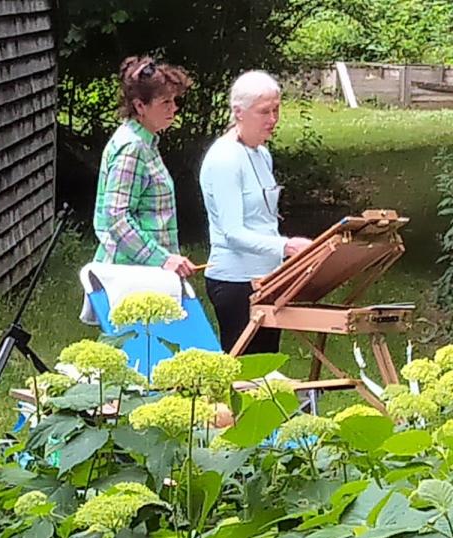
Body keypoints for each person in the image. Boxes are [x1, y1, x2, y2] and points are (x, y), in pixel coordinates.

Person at [200, 70, 312, 354]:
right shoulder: (224, 158)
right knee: (243, 373)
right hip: (235, 282)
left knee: (266, 373)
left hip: (268, 280)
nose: (273, 119)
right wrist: (286, 246)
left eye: (276, 110)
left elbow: (264, 220)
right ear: (239, 112)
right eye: (264, 112)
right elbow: (233, 232)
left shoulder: (262, 154)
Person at [93, 55, 197, 278]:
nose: (174, 108)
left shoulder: (146, 143)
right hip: (130, 276)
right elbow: (117, 218)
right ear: (140, 106)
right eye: (165, 102)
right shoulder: (132, 147)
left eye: (174, 101)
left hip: (146, 274)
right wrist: (164, 259)